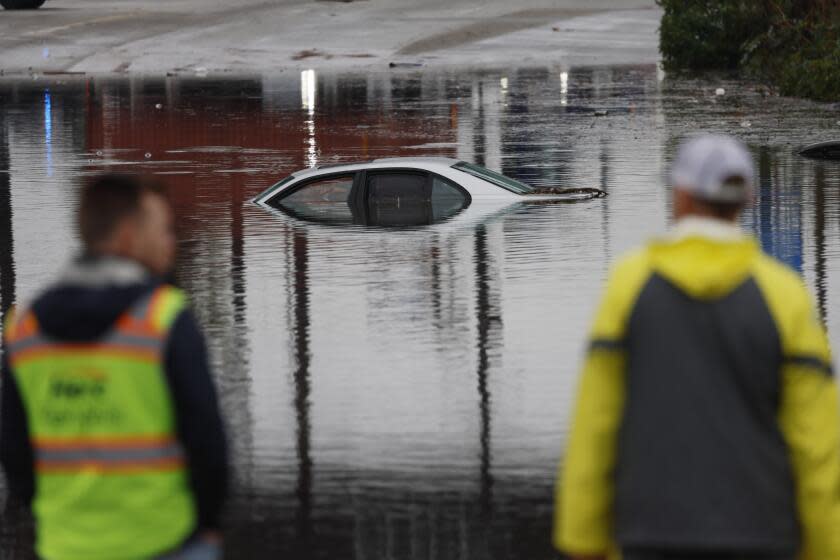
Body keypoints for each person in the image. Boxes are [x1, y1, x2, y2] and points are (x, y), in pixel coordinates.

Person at [553, 135, 840, 560]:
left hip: (649, 535)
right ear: (747, 200)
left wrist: (582, 537)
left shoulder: (629, 285)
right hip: (763, 536)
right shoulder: (786, 296)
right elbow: (817, 443)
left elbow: (597, 422)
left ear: (680, 195)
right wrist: (827, 545)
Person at [1, 174, 229, 560]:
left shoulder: (24, 329)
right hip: (164, 541)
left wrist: (55, 516)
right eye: (163, 231)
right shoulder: (163, 317)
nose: (171, 245)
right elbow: (206, 440)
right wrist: (205, 525)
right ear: (128, 235)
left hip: (66, 546)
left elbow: (14, 451)